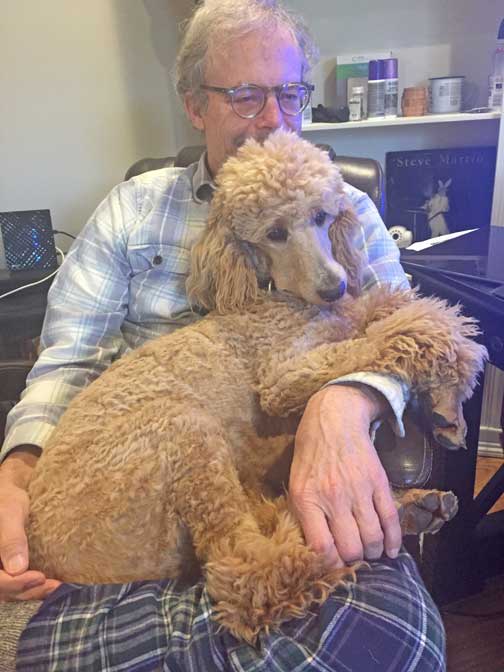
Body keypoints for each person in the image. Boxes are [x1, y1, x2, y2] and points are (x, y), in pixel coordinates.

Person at [0, 0, 446, 668]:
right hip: (140, 489)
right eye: (244, 96)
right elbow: (69, 363)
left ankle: (160, 629)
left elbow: (398, 324)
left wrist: (343, 404)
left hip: (285, 482)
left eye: (289, 94)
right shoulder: (131, 210)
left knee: (401, 636)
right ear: (195, 106)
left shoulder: (345, 205)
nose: (272, 118)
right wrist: (16, 472)